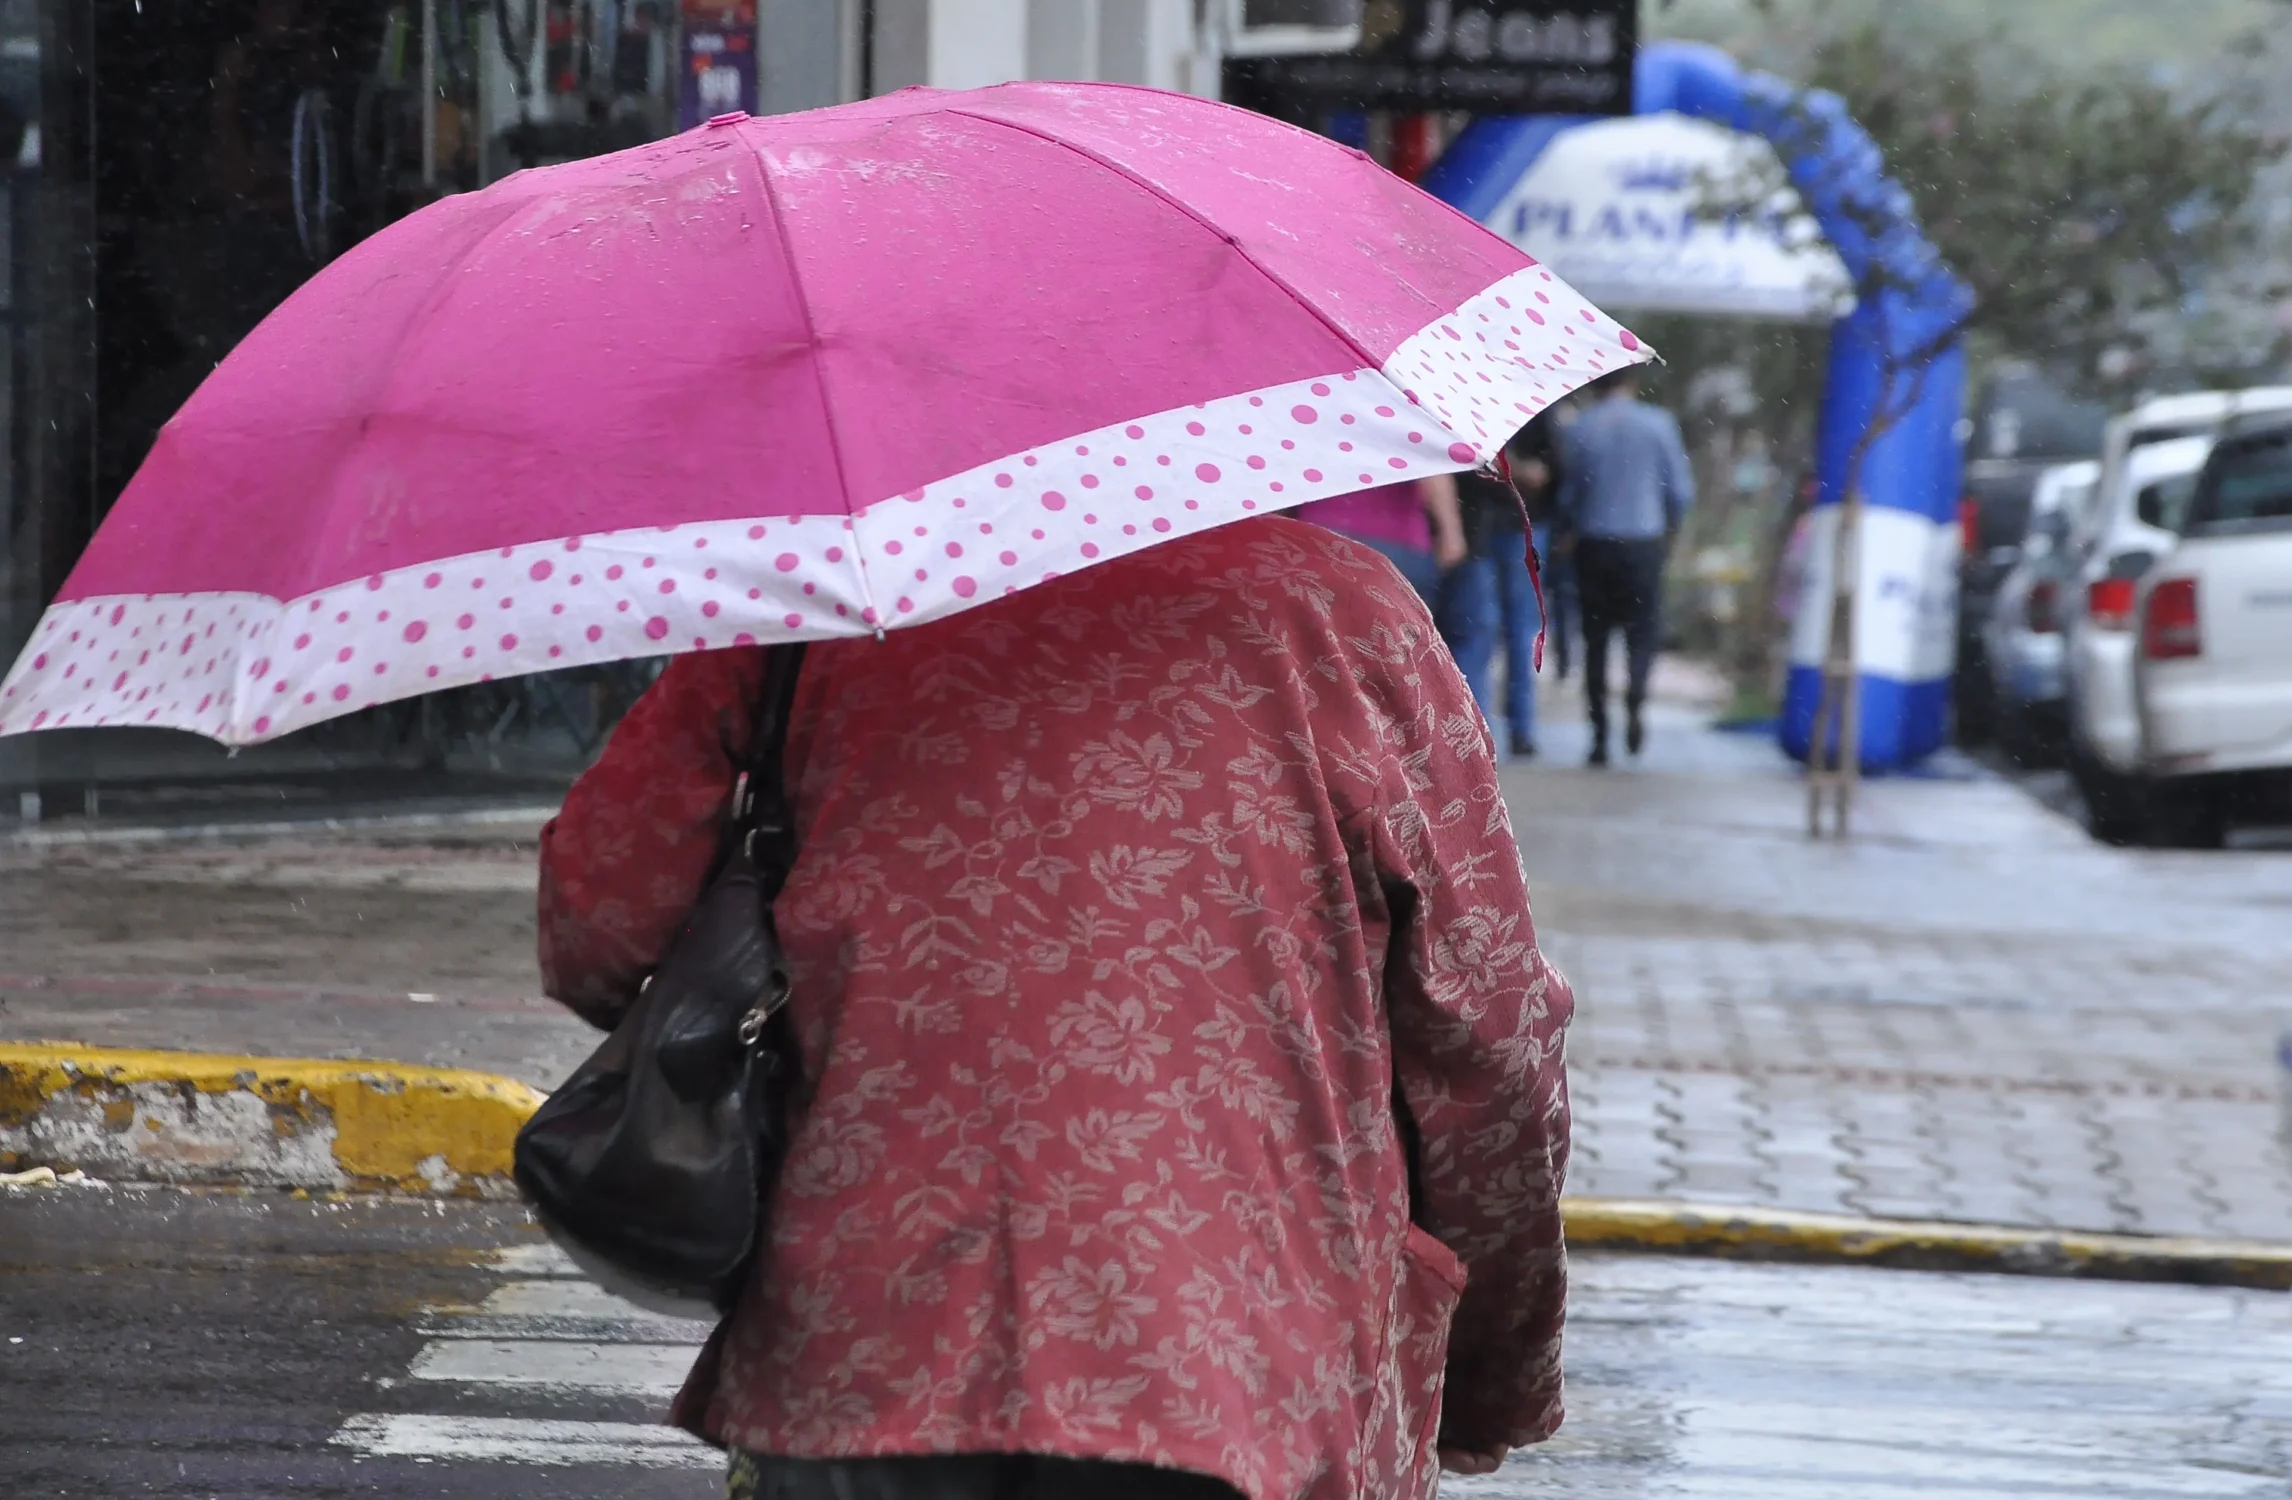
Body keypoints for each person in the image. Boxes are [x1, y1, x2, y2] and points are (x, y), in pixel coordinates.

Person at [539, 515, 1574, 1500]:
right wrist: (1493, 1369)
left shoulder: (811, 598)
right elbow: (1489, 1031)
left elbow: (598, 924)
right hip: (1239, 1367)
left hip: (864, 1340)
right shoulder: (1341, 608)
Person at [1556, 371, 1695, 768]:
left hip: (1594, 545)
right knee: (1642, 632)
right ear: (1634, 382)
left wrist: (1570, 529)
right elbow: (1681, 492)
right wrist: (1669, 529)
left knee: (1596, 639)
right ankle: (1635, 696)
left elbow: (1570, 495)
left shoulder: (1581, 428)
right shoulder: (1659, 425)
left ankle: (1599, 734)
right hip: (1643, 543)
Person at [1436, 410, 1560, 757]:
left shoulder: (1460, 404)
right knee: (1509, 630)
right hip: (1513, 526)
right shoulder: (1534, 407)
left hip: (1486, 526)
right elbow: (1555, 469)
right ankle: (1510, 729)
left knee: (1483, 632)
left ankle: (1478, 733)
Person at [1294, 473, 1467, 599]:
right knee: (1401, 633)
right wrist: (1451, 534)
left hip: (1318, 536)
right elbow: (1432, 474)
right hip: (1394, 541)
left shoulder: (1311, 423)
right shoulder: (1407, 423)